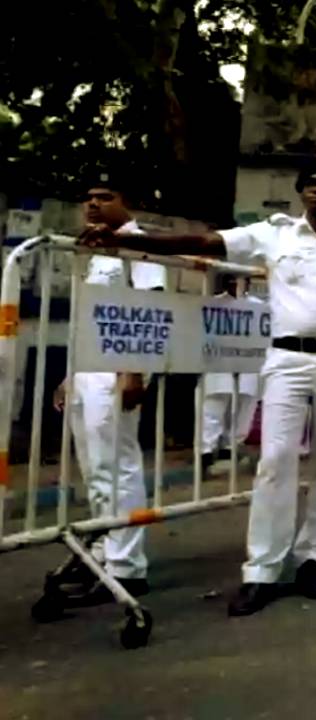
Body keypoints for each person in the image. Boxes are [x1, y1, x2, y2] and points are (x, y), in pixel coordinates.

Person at [80, 156, 316, 615]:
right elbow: (205, 241)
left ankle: (313, 559)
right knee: (275, 461)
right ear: (300, 192)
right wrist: (131, 242)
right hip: (287, 357)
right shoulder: (273, 233)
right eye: (310, 184)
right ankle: (261, 569)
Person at [52, 172, 167, 605]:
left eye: (105, 195)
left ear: (126, 202)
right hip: (89, 368)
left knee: (117, 466)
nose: (94, 203)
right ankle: (104, 552)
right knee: (96, 470)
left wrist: (134, 370)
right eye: (89, 197)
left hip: (119, 369)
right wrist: (70, 373)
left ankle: (126, 568)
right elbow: (90, 317)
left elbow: (149, 309)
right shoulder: (96, 250)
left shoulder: (141, 246)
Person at [200, 274, 262, 473]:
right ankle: (206, 451)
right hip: (219, 364)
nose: (236, 284)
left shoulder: (259, 306)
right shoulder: (213, 304)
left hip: (248, 365)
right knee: (212, 409)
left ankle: (231, 448)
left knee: (243, 410)